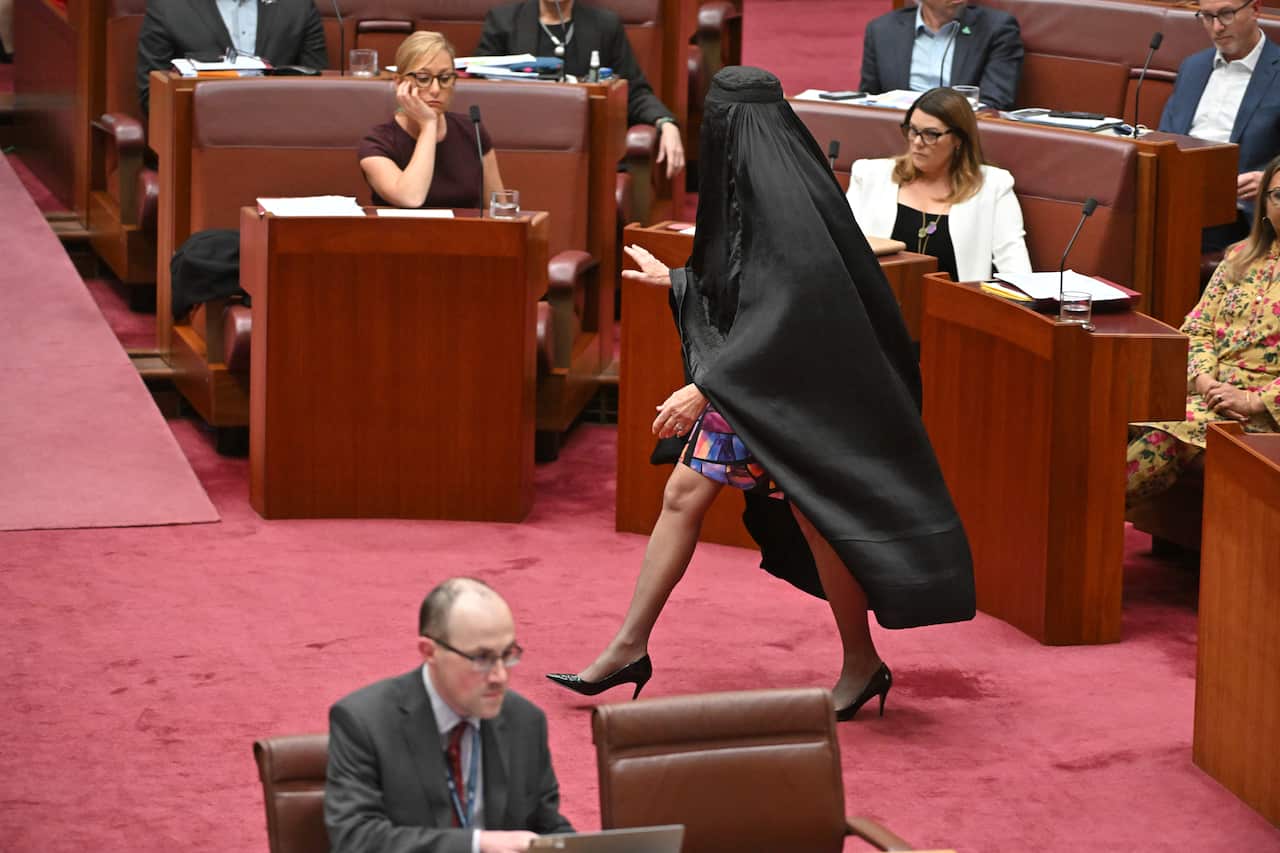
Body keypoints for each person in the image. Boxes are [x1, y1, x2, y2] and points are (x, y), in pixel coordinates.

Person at [546, 66, 976, 721]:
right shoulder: (765, 175)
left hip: (794, 385)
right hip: (765, 380)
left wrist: (703, 386)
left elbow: (789, 309)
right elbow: (745, 280)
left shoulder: (781, 193)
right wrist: (678, 281)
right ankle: (632, 645)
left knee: (815, 516)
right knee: (693, 494)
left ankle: (860, 661)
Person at [326, 577, 574, 853]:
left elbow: (547, 828)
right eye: (482, 658)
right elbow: (356, 839)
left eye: (508, 654)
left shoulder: (525, 721)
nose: (499, 676)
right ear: (429, 651)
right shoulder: (364, 722)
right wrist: (478, 845)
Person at [1126, 155, 1280, 506]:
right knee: (1111, 408)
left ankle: (1076, 519)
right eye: (1279, 195)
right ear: (1265, 205)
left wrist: (1254, 400)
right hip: (1208, 395)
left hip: (1263, 412)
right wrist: (1203, 380)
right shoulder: (1240, 256)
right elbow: (1197, 328)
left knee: (1165, 435)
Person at [476, 0, 685, 179]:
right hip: (520, 151)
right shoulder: (503, 23)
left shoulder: (605, 26)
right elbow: (480, 87)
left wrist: (665, 123)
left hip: (588, 154)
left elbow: (634, 90)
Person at [845, 87, 1031, 282]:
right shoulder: (870, 176)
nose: (917, 142)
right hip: (881, 307)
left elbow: (1017, 272)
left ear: (958, 138)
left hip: (956, 309)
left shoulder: (993, 187)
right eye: (912, 130)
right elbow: (844, 251)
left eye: (931, 134)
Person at [1159, 0, 1280, 252]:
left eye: (1226, 14)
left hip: (1245, 214)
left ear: (1255, 9)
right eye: (1207, 16)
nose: (1216, 27)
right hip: (1180, 200)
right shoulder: (1193, 67)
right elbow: (1165, 139)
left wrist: (1271, 182)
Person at [359, 32, 504, 209]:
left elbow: (498, 208)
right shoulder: (378, 142)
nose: (435, 89)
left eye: (445, 78)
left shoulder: (472, 130)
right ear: (399, 83)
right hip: (402, 235)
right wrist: (428, 125)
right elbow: (410, 198)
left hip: (466, 235)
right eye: (423, 79)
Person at [135, 0, 327, 116]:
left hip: (281, 139)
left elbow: (318, 85)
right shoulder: (169, 7)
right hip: (198, 145)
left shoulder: (297, 6)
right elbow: (152, 96)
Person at [860, 0, 1024, 112]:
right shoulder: (882, 30)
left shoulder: (996, 29)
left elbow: (994, 104)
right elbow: (868, 99)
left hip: (962, 139)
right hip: (897, 135)